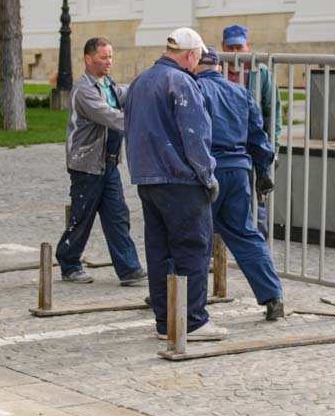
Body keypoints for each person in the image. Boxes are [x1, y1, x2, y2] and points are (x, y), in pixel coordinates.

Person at [123, 28, 227, 341]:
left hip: (148, 179)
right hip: (180, 180)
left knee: (159, 252)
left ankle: (164, 320)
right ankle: (192, 321)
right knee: (192, 250)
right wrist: (208, 177)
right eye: (197, 57)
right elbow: (195, 138)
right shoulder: (182, 82)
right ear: (191, 54)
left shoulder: (141, 81)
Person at [194, 50, 284, 321]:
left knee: (190, 235)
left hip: (208, 172)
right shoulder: (240, 92)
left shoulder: (194, 89)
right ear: (218, 66)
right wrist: (263, 170)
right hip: (239, 171)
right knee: (245, 233)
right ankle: (273, 296)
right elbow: (258, 134)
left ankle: (178, 297)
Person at [55, 37, 144, 287]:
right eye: (103, 57)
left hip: (109, 164)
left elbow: (131, 94)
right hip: (87, 165)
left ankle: (129, 269)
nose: (108, 62)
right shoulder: (84, 90)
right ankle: (69, 262)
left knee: (117, 216)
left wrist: (148, 87)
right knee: (82, 217)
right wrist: (144, 124)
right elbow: (111, 117)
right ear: (88, 58)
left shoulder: (110, 85)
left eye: (111, 57)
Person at [220, 23, 278, 230]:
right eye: (230, 48)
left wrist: (273, 147)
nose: (235, 53)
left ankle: (259, 251)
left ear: (248, 47)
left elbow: (272, 111)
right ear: (223, 48)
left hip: (252, 147)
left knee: (257, 203)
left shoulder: (260, 72)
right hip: (224, 147)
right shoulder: (217, 70)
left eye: (239, 48)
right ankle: (216, 257)